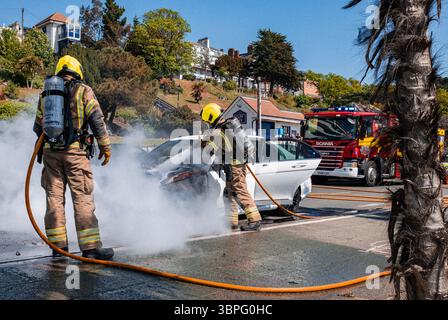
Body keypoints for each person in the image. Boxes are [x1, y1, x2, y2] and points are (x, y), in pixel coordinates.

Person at [33, 55, 114, 260]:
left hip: (51, 155)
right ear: (78, 71)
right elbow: (97, 120)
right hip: (75, 154)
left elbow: (37, 127)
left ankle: (58, 249)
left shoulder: (46, 94)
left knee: (54, 200)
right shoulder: (84, 91)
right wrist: (105, 148)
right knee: (82, 198)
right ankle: (91, 248)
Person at [200, 103, 262, 232]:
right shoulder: (227, 126)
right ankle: (231, 221)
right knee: (229, 193)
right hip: (234, 164)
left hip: (234, 165)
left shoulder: (219, 130)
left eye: (206, 121)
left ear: (210, 116)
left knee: (239, 191)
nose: (207, 124)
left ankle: (255, 220)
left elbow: (209, 149)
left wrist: (203, 142)